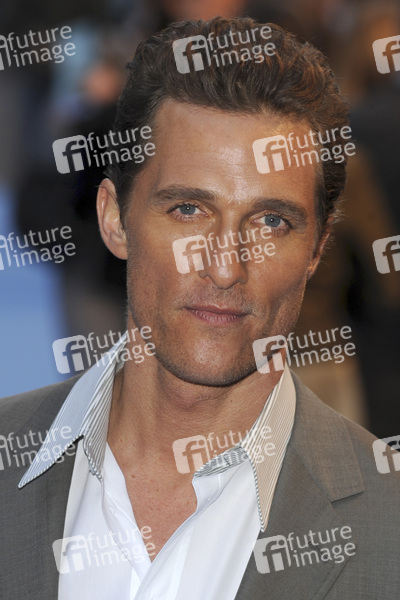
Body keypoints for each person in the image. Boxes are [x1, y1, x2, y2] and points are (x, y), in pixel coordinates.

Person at [1, 16, 399, 599]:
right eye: (188, 210)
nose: (225, 266)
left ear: (317, 248)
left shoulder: (388, 526)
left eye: (271, 222)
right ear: (114, 219)